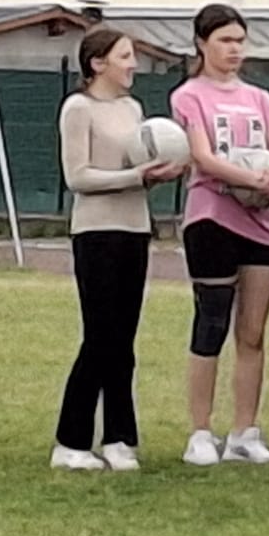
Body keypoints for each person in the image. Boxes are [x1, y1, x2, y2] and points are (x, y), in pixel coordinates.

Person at [53, 27, 181, 472]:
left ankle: (119, 437)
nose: (133, 65)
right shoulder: (78, 108)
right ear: (97, 63)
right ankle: (70, 441)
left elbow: (139, 162)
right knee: (100, 336)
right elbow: (78, 177)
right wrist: (136, 177)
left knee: (124, 340)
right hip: (96, 232)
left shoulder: (132, 108)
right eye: (124, 56)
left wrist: (158, 173)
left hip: (134, 229)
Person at [172, 4, 269, 468]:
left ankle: (244, 431)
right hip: (213, 218)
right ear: (202, 44)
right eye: (224, 40)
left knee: (253, 332)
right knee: (211, 323)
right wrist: (251, 180)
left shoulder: (260, 98)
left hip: (262, 222)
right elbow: (202, 156)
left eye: (240, 40)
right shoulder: (189, 96)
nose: (234, 49)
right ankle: (201, 431)